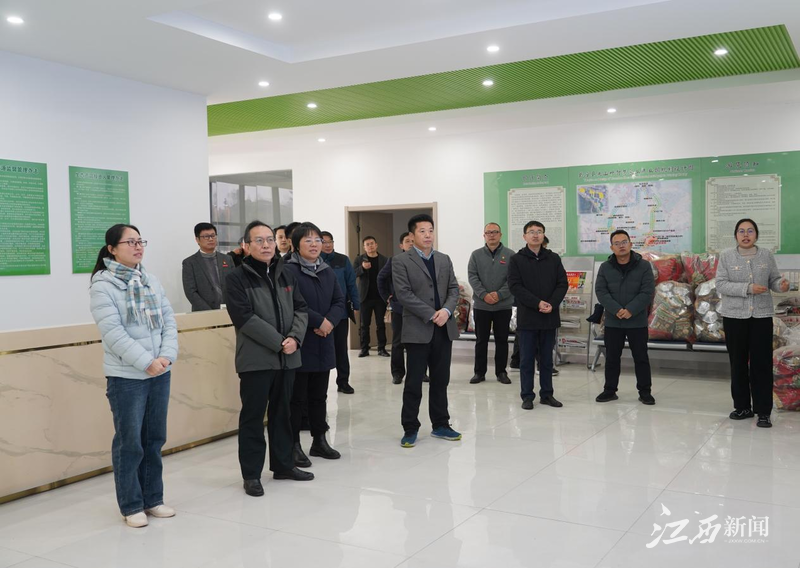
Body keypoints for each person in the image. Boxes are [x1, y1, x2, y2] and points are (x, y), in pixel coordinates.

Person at [89, 224, 178, 528]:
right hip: (127, 377)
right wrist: (145, 362)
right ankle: (131, 505)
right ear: (112, 249)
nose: (138, 247)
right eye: (130, 242)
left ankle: (153, 499)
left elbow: (168, 321)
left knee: (154, 439)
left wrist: (166, 356)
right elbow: (113, 333)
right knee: (130, 443)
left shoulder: (149, 279)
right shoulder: (103, 285)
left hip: (159, 371)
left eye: (140, 241)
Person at [225, 220, 314, 496]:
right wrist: (279, 342)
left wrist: (295, 338)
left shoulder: (286, 273)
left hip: (288, 359)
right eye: (259, 241)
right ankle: (251, 474)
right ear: (246, 245)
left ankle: (284, 465)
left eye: (269, 240)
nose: (266, 245)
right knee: (253, 418)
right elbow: (244, 318)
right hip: (257, 360)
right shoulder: (236, 278)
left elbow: (301, 309)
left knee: (283, 414)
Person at [392, 214, 461, 447]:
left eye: (430, 230)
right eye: (422, 231)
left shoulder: (444, 259)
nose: (428, 235)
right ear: (412, 236)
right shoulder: (401, 261)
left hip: (444, 328)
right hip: (418, 329)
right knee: (413, 382)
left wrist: (447, 311)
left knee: (441, 380)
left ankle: (441, 424)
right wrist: (432, 314)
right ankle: (410, 427)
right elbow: (404, 294)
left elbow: (453, 289)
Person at [283, 222, 346, 465]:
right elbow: (291, 304)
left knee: (320, 396)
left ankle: (319, 441)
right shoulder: (288, 270)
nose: (314, 244)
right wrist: (320, 321)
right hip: (301, 340)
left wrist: (330, 321)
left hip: (324, 340)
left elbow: (339, 300)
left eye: (317, 240)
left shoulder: (326, 270)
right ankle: (293, 446)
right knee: (297, 398)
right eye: (308, 240)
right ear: (296, 245)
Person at [717, 218, 789, 428]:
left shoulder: (766, 255)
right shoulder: (726, 256)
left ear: (756, 234)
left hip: (761, 316)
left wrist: (782, 285)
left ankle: (763, 411)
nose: (746, 235)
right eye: (741, 231)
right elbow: (721, 284)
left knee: (762, 364)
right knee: (737, 363)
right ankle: (742, 407)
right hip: (734, 318)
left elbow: (774, 280)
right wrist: (747, 288)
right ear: (736, 235)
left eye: (750, 231)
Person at [508, 221, 568, 410]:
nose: (535, 235)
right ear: (524, 236)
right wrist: (537, 303)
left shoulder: (553, 258)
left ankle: (547, 394)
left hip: (549, 316)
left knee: (547, 360)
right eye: (531, 232)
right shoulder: (516, 260)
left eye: (539, 231)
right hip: (528, 317)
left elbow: (562, 283)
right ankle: (527, 396)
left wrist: (552, 303)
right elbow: (515, 286)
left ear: (544, 235)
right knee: (526, 360)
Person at [594, 230, 656, 405]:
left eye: (624, 242)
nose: (621, 246)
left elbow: (647, 291)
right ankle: (610, 390)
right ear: (611, 247)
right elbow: (601, 291)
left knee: (641, 357)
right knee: (612, 358)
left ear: (630, 244)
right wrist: (616, 309)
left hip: (637, 320)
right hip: (613, 321)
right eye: (617, 243)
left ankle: (645, 392)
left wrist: (630, 310)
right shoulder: (605, 267)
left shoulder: (644, 265)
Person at [467, 222, 515, 385]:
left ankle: (501, 372)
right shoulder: (476, 255)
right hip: (482, 305)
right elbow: (472, 276)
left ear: (500, 235)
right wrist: (484, 295)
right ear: (484, 235)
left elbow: (513, 278)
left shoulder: (510, 255)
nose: (492, 235)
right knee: (481, 340)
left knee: (502, 340)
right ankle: (479, 372)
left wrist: (499, 294)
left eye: (495, 232)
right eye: (488, 232)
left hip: (503, 305)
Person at [378, 231, 421, 384]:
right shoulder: (394, 261)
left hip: (419, 309)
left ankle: (420, 372)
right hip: (399, 308)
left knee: (418, 343)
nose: (411, 243)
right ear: (401, 245)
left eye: (413, 241)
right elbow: (381, 278)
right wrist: (387, 297)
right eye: (407, 241)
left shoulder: (423, 260)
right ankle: (397, 373)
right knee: (398, 342)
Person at [320, 231, 360, 394]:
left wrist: (356, 305)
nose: (328, 245)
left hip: (340, 313)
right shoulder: (315, 260)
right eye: (324, 242)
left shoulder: (343, 260)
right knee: (321, 349)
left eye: (330, 241)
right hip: (321, 315)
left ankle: (343, 381)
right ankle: (320, 385)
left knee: (341, 348)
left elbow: (351, 283)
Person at [182, 222, 234, 311]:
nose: (210, 239)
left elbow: (234, 285)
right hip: (203, 313)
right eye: (206, 236)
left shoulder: (227, 259)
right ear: (197, 240)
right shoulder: (189, 263)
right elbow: (190, 292)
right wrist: (209, 312)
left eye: (213, 236)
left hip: (228, 311)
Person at [354, 236, 389, 358]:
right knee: (364, 325)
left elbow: (388, 277)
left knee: (381, 324)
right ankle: (364, 349)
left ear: (376, 245)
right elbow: (353, 274)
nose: (370, 246)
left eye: (372, 243)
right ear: (364, 247)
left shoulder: (384, 260)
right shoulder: (359, 259)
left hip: (380, 297)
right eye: (367, 244)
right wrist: (362, 268)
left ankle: (382, 348)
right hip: (365, 297)